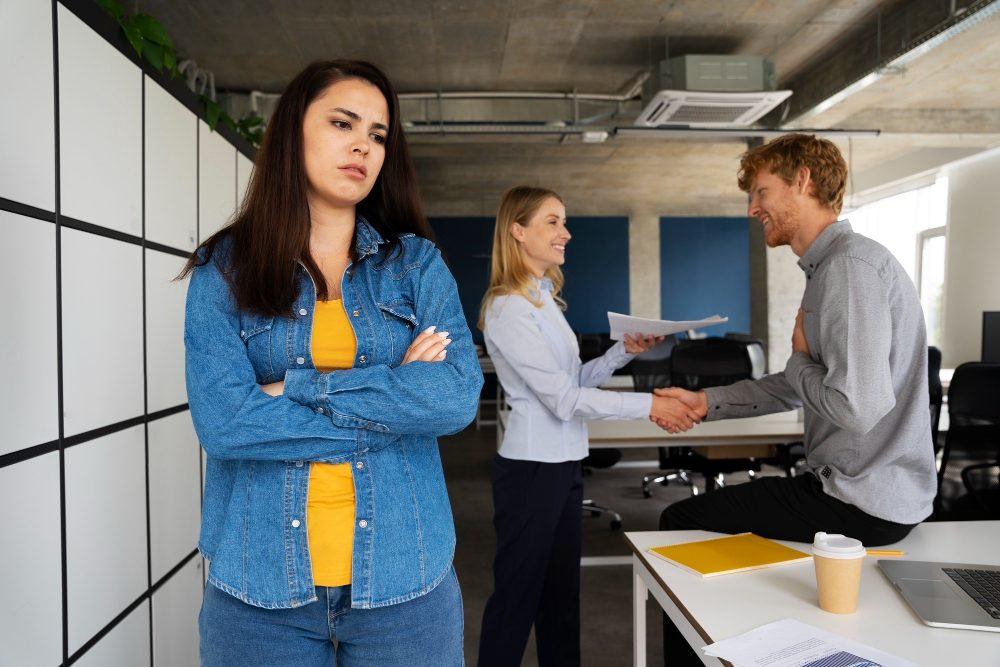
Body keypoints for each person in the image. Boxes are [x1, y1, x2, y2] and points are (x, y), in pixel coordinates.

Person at [181, 60, 483, 667]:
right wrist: (397, 399)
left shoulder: (416, 266)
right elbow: (223, 422)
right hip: (259, 589)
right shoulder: (224, 268)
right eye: (342, 123)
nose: (362, 146)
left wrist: (292, 388)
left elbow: (454, 400)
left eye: (377, 134)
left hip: (405, 580)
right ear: (293, 133)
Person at [656, 133, 937, 547]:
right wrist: (707, 403)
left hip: (860, 500)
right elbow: (803, 385)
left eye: (761, 193)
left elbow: (856, 408)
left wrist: (799, 361)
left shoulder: (848, 268)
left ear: (802, 180)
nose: (753, 209)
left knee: (682, 520)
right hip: (865, 494)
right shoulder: (831, 269)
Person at [476, 185, 700, 667]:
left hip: (564, 464)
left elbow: (572, 380)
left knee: (562, 600)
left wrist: (624, 352)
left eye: (564, 221)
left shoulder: (545, 303)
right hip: (531, 469)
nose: (566, 232)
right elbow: (562, 400)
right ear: (518, 231)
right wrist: (649, 407)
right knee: (517, 600)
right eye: (553, 222)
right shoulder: (507, 307)